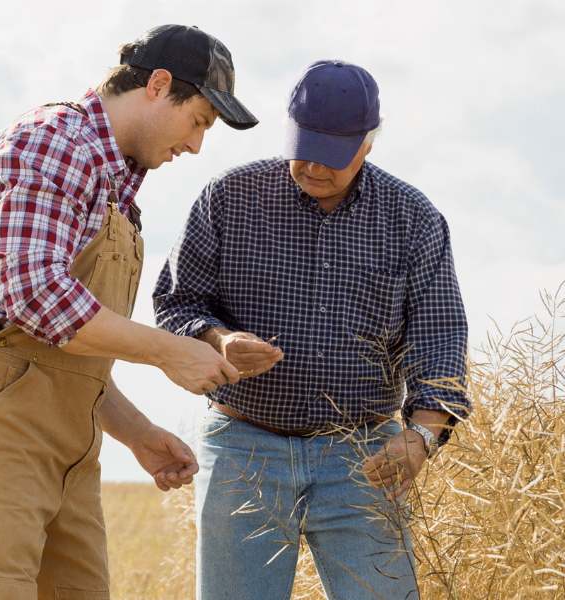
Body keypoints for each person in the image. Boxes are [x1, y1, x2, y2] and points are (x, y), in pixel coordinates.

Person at [0, 24, 257, 600]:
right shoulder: (54, 142)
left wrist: (136, 433)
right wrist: (168, 351)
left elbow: (60, 348)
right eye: (199, 122)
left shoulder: (115, 183)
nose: (195, 147)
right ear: (159, 85)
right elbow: (36, 298)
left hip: (67, 454)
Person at [153, 59, 471, 600]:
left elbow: (439, 340)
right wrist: (218, 339)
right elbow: (177, 302)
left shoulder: (414, 219)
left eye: (334, 156)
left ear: (368, 143)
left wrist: (419, 435)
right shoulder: (228, 197)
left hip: (364, 459)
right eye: (305, 148)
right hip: (242, 449)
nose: (315, 168)